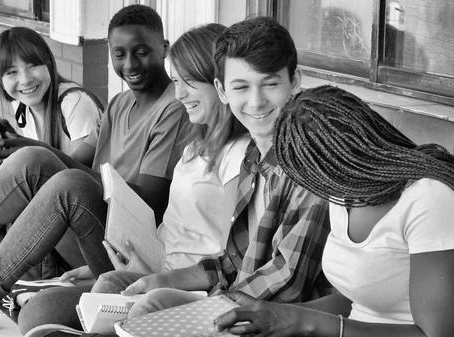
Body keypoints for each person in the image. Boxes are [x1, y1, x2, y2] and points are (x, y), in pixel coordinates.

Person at [0, 4, 189, 335]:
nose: (130, 64)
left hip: (128, 250)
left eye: (141, 52)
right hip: (90, 234)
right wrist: (20, 153)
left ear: (164, 49)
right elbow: (87, 169)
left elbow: (146, 201)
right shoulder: (119, 104)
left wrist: (35, 152)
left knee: (43, 167)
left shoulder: (172, 109)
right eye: (119, 54)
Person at [16, 23, 251, 335]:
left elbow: (236, 257)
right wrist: (136, 265)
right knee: (37, 313)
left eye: (189, 83)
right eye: (177, 82)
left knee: (61, 183)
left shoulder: (242, 156)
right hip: (151, 267)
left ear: (219, 84)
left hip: (189, 287)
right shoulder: (195, 145)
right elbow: (174, 226)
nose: (179, 94)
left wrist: (161, 276)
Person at [213, 85, 454, 337]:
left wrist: (299, 321)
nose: (314, 187)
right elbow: (358, 302)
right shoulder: (344, 196)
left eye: (314, 174)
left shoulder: (429, 200)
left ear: (348, 158)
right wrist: (270, 315)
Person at [105, 16, 331, 319]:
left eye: (270, 83)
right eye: (241, 87)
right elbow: (232, 260)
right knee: (132, 295)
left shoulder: (307, 163)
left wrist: (208, 303)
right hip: (235, 298)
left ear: (295, 81)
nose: (256, 101)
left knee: (148, 307)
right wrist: (164, 279)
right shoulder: (253, 158)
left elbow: (287, 280)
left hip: (277, 317)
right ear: (223, 91)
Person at [0, 26, 103, 289]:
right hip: (46, 208)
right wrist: (5, 153)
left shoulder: (74, 103)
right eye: (12, 72)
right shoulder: (23, 106)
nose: (25, 80)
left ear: (49, 62)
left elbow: (71, 176)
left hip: (79, 231)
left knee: (11, 178)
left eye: (33, 65)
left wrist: (5, 173)